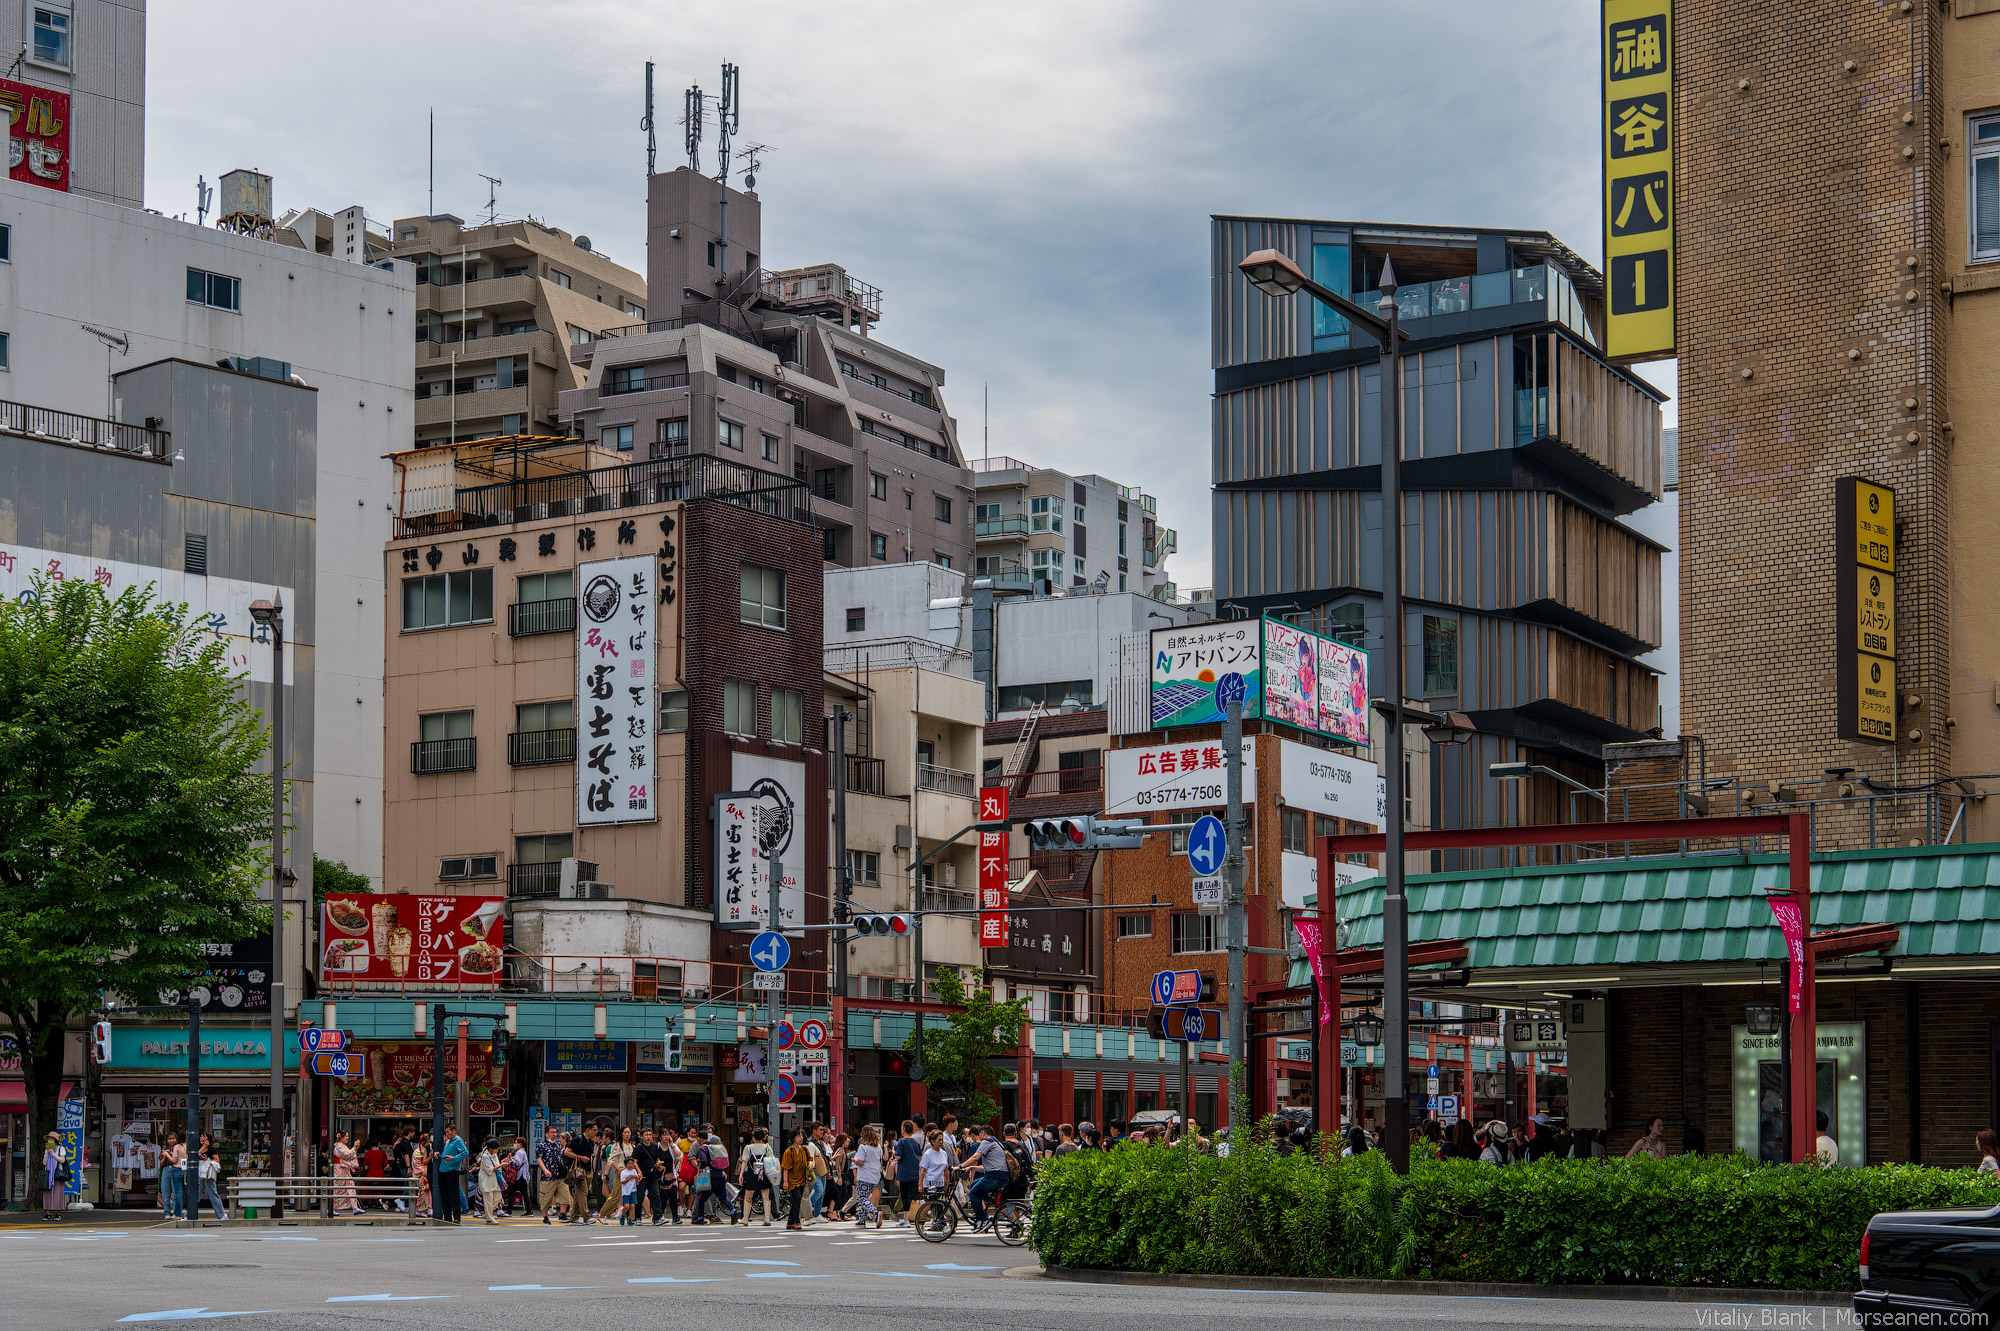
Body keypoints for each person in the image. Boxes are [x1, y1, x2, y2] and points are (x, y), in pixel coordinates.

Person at [959, 1124, 1011, 1229]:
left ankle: (981, 1219)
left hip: (994, 1176)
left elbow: (975, 1157)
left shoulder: (987, 1142)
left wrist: (960, 1166)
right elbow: (987, 1167)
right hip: (1000, 1176)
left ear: (983, 1133)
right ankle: (985, 1213)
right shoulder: (997, 1143)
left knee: (973, 1193)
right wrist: (972, 1168)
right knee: (973, 1185)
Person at [737, 1126, 776, 1226]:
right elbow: (771, 1159)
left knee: (748, 1196)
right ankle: (767, 1219)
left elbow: (745, 1161)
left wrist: (741, 1174)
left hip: (752, 1174)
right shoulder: (767, 1147)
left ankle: (745, 1218)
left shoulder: (748, 1148)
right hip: (764, 1173)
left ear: (753, 1137)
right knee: (766, 1196)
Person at [892, 1119, 924, 1227]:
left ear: (904, 1129)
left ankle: (906, 1219)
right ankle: (910, 1217)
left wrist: (893, 1152)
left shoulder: (901, 1141)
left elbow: (898, 1156)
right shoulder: (915, 1142)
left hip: (904, 1172)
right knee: (911, 1195)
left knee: (905, 1195)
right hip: (915, 1172)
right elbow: (920, 1157)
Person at [536, 1125, 570, 1224]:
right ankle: (545, 1217)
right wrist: (545, 1170)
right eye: (552, 1132)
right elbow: (539, 1158)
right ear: (546, 1134)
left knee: (564, 1195)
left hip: (560, 1175)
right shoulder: (542, 1145)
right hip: (548, 1177)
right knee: (546, 1198)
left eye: (555, 1132)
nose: (554, 1134)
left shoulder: (558, 1145)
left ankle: (562, 1214)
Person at [852, 1124, 884, 1228]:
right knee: (865, 1196)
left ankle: (874, 1213)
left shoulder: (863, 1146)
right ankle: (862, 1219)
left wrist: (854, 1160)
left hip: (865, 1175)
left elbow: (860, 1162)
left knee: (862, 1197)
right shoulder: (878, 1147)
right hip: (875, 1176)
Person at [781, 1127, 813, 1231]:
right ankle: (796, 1221)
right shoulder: (788, 1152)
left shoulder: (804, 1149)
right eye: (799, 1135)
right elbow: (785, 1168)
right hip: (792, 1180)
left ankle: (790, 1222)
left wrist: (810, 1164)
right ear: (793, 1137)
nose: (801, 1137)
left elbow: (810, 1159)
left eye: (802, 1135)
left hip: (802, 1179)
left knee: (796, 1201)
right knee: (797, 1199)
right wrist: (785, 1182)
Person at [435, 1126, 467, 1223]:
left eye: (448, 1132)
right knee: (444, 1195)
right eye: (446, 1132)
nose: (447, 1134)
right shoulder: (448, 1141)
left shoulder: (458, 1140)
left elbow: (465, 1152)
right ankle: (447, 1217)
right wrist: (439, 1155)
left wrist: (454, 1158)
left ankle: (456, 1217)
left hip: (452, 1170)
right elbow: (445, 1155)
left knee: (453, 1194)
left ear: (454, 1131)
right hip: (443, 1170)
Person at [806, 1122, 833, 1224]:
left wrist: (827, 1171)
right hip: (814, 1171)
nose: (822, 1132)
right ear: (814, 1131)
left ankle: (817, 1214)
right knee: (819, 1191)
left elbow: (824, 1158)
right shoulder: (810, 1142)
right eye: (820, 1130)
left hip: (822, 1170)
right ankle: (806, 1209)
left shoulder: (821, 1142)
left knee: (822, 1193)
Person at [332, 1130, 361, 1215]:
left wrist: (354, 1148)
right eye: (346, 1136)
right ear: (341, 1138)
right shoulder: (339, 1146)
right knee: (337, 1189)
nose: (348, 1138)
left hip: (344, 1169)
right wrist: (355, 1147)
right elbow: (347, 1155)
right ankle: (332, 1208)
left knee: (351, 1186)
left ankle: (354, 1206)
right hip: (339, 1169)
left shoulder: (341, 1146)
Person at [194, 1147, 228, 1221]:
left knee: (213, 1194)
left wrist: (207, 1159)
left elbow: (217, 1160)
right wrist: (203, 1147)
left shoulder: (212, 1149)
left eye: (204, 1137)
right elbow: (194, 1155)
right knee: (196, 1195)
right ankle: (190, 1214)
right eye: (201, 1136)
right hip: (199, 1174)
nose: (202, 1139)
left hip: (208, 1175)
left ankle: (221, 1215)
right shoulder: (197, 1147)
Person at [41, 1130, 67, 1221]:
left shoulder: (61, 1149)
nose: (49, 1140)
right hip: (48, 1173)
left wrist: (53, 1153)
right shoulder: (46, 1149)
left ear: (55, 1140)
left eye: (51, 1138)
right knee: (47, 1194)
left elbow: (62, 1160)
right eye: (48, 1138)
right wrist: (47, 1154)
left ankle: (58, 1213)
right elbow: (44, 1163)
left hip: (57, 1174)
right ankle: (48, 1213)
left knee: (58, 1193)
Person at [476, 1139, 503, 1225]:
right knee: (488, 1200)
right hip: (486, 1181)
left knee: (498, 1197)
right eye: (496, 1148)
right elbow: (489, 1170)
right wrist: (502, 1165)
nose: (497, 1150)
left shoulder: (494, 1155)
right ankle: (489, 1218)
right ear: (491, 1149)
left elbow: (497, 1165)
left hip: (494, 1180)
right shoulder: (485, 1156)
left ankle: (488, 1214)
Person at [159, 1131, 185, 1220]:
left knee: (176, 1192)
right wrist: (165, 1156)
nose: (171, 1140)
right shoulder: (164, 1149)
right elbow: (161, 1164)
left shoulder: (179, 1147)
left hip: (175, 1169)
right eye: (170, 1139)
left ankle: (176, 1211)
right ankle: (167, 1212)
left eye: (173, 1138)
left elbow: (176, 1160)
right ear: (167, 1140)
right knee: (165, 1192)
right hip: (166, 1169)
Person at [411, 1134, 432, 1217]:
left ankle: (428, 1208)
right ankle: (419, 1209)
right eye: (427, 1142)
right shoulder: (417, 1151)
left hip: (427, 1173)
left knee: (429, 1192)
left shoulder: (427, 1149)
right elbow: (415, 1163)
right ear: (423, 1142)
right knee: (422, 1192)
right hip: (421, 1174)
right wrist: (422, 1171)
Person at [618, 1151, 641, 1225]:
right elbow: (622, 1182)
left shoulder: (634, 1171)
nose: (631, 1165)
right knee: (626, 1206)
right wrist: (630, 1178)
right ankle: (623, 1215)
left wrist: (637, 1178)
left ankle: (630, 1219)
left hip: (633, 1190)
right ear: (625, 1165)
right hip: (626, 1191)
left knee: (632, 1206)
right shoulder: (624, 1172)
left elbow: (637, 1182)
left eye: (632, 1163)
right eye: (629, 1163)